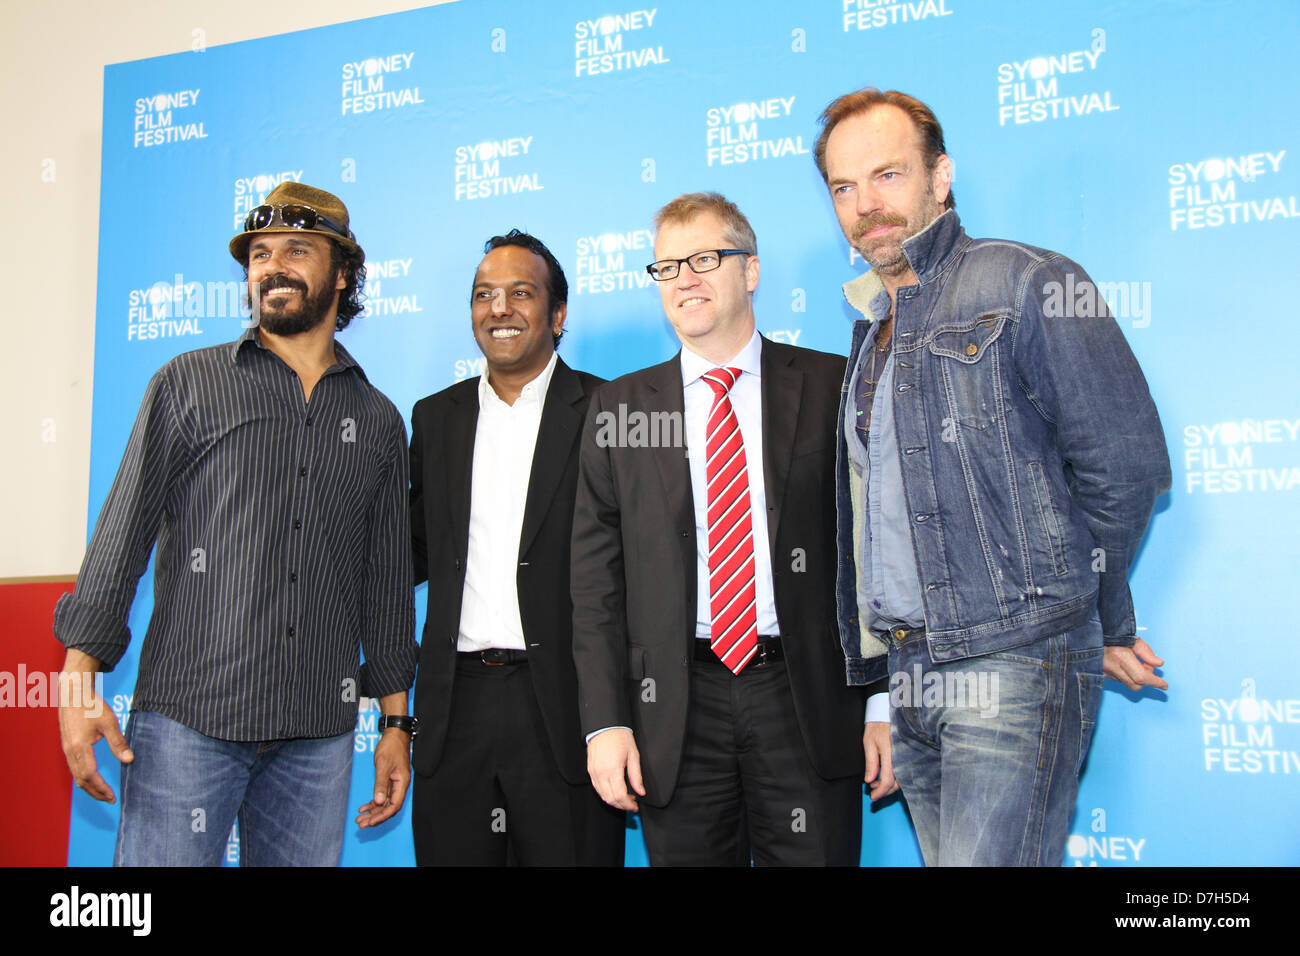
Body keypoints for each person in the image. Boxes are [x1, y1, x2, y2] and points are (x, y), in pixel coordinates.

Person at [814, 88, 1172, 866]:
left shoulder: (1027, 282)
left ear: (940, 176)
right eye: (843, 187)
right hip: (911, 672)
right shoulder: (872, 330)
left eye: (887, 175)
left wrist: (1093, 614)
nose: (866, 205)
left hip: (1014, 658)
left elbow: (1126, 464)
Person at [54, 182, 418, 866]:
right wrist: (77, 684)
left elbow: (388, 586)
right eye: (259, 254)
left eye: (297, 251)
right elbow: (120, 537)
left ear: (343, 274)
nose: (271, 267)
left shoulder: (378, 420)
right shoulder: (186, 383)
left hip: (319, 734)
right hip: (187, 721)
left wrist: (396, 724)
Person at [572, 192, 882, 866]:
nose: (684, 278)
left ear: (752, 271)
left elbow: (875, 552)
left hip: (806, 699)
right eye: (667, 267)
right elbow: (594, 585)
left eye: (705, 258)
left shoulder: (833, 386)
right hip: (673, 708)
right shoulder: (618, 408)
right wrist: (605, 721)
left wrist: (883, 700)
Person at [408, 230, 623, 865]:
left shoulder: (609, 408)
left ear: (558, 316)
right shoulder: (434, 417)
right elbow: (413, 549)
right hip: (455, 711)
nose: (498, 309)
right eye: (484, 295)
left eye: (520, 294)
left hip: (567, 708)